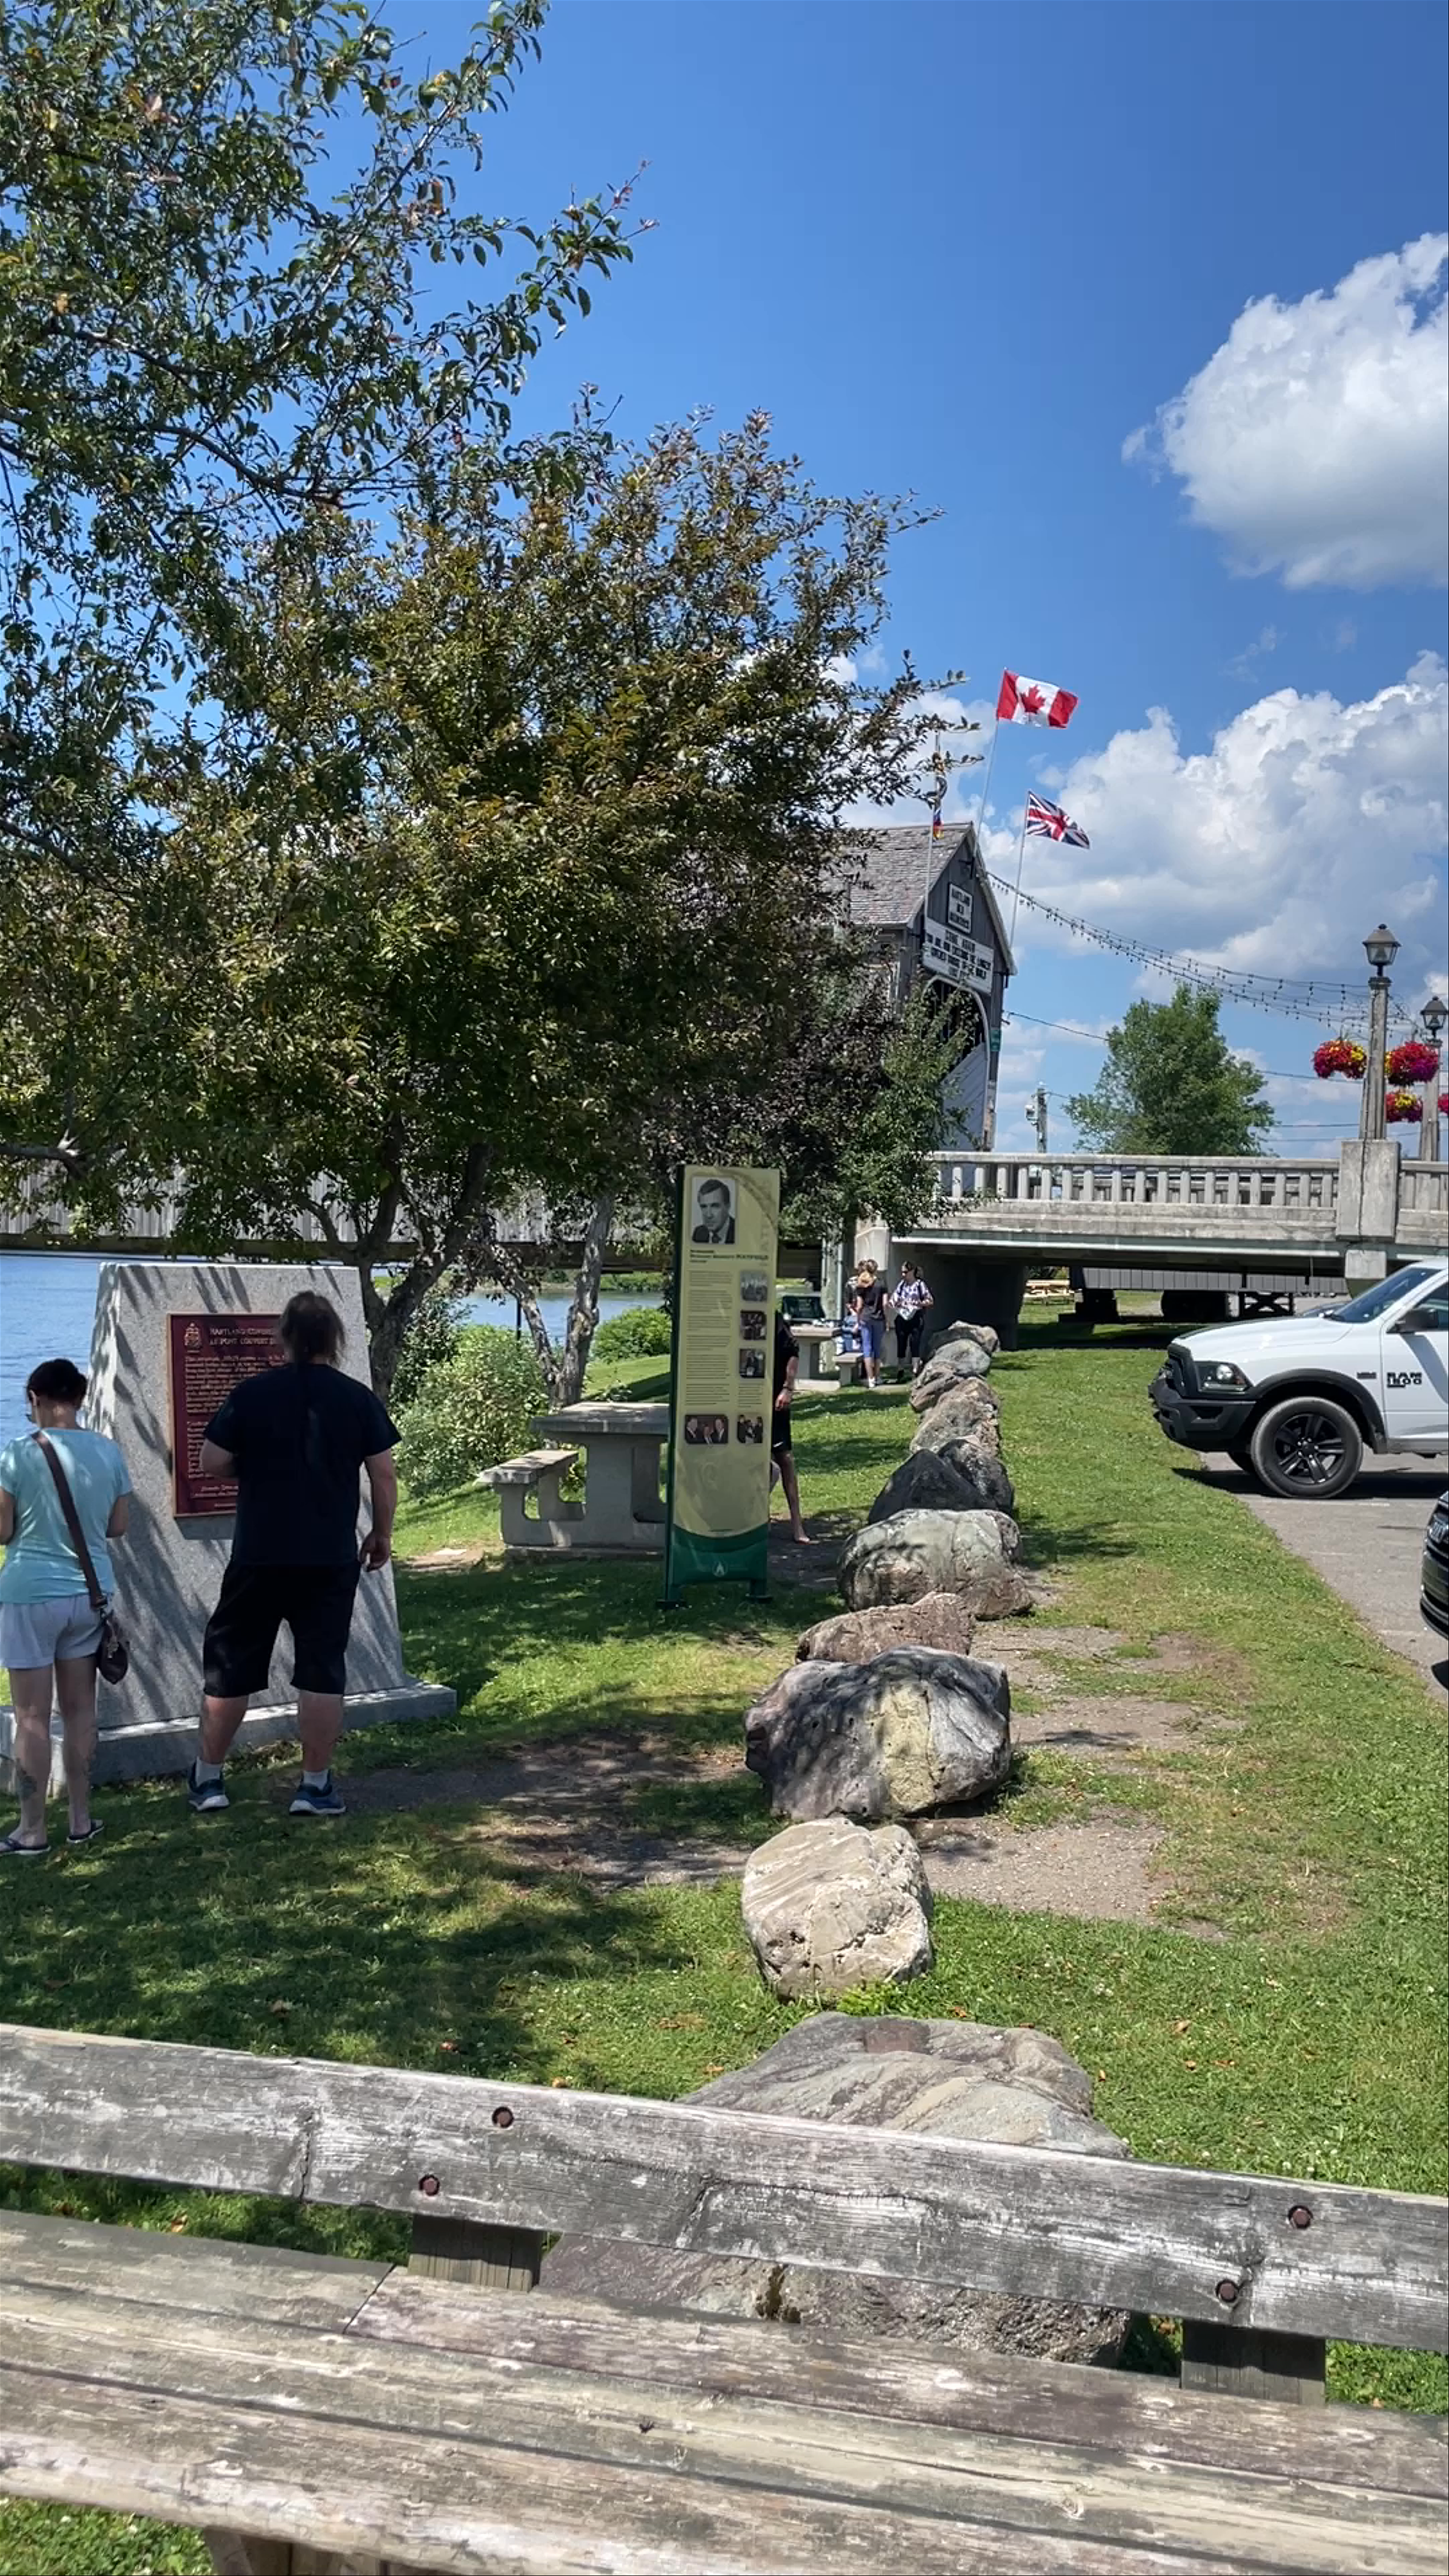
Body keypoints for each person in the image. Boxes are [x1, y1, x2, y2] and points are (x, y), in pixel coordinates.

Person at [188, 1292, 398, 1821]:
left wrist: (256, 1468)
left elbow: (211, 1459)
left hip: (258, 1553)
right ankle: (315, 1784)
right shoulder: (356, 1398)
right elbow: (384, 1472)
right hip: (328, 1556)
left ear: (284, 1336)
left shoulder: (252, 1393)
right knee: (321, 1669)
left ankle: (209, 1779)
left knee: (231, 1667)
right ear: (336, 1339)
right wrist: (382, 1533)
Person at [0, 1359, 131, 1858]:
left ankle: (32, 1828)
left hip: (30, 1593)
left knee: (32, 1715)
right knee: (80, 1711)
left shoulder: (17, 1453)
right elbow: (118, 1525)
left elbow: (3, 1529)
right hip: (89, 1595)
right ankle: (80, 1818)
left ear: (35, 1397)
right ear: (79, 1397)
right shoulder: (107, 1451)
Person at [769, 1312, 810, 1543]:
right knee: (755, 1462)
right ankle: (757, 1518)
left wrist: (788, 1388)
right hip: (747, 1401)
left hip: (776, 1399)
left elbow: (793, 1351)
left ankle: (797, 1525)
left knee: (785, 1459)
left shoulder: (774, 1319)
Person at [851, 1260, 889, 1392]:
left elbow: (859, 1306)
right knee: (877, 1349)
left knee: (867, 1348)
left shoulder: (861, 1285)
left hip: (866, 1319)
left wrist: (858, 1320)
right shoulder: (882, 1284)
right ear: (876, 1269)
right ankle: (877, 1376)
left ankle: (870, 1379)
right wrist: (887, 1319)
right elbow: (885, 1304)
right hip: (879, 1318)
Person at [891, 1263, 934, 1379]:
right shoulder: (902, 1285)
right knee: (902, 1342)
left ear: (912, 1272)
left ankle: (915, 1369)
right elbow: (894, 1299)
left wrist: (920, 1304)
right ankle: (901, 1368)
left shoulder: (920, 1285)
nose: (903, 1275)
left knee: (915, 1343)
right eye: (902, 1272)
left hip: (916, 1317)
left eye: (905, 1272)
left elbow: (930, 1300)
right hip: (903, 1317)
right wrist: (896, 1304)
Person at [691, 1178, 736, 1245]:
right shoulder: (698, 1233)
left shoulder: (740, 1232)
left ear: (728, 1206)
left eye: (715, 1206)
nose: (709, 1215)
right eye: (704, 1207)